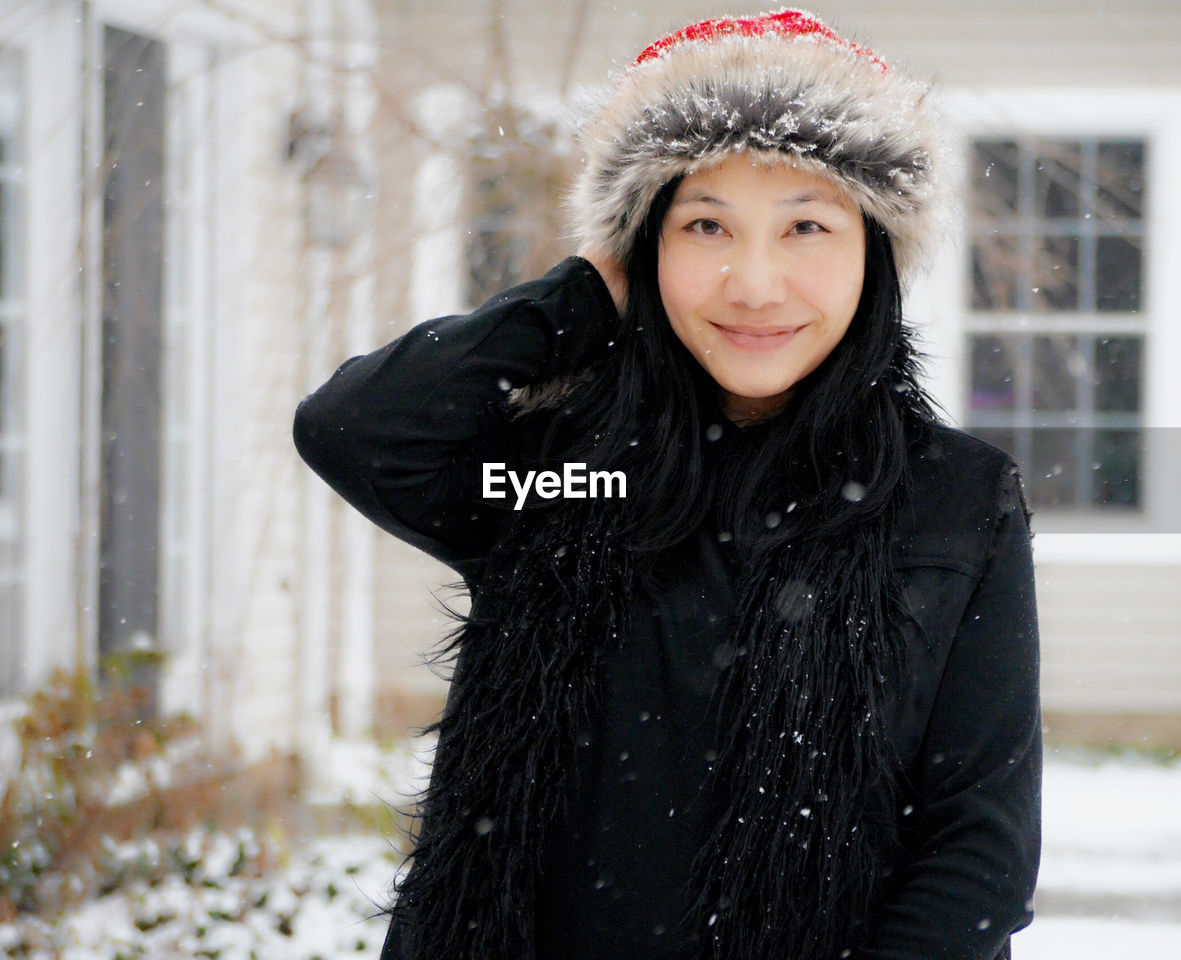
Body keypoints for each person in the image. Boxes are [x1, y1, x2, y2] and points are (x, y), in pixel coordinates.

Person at [293, 9, 1041, 960]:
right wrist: (585, 293)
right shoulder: (552, 472)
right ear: (646, 251)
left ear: (875, 252)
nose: (755, 282)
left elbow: (980, 850)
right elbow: (351, 429)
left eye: (806, 224)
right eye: (705, 224)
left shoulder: (957, 499)